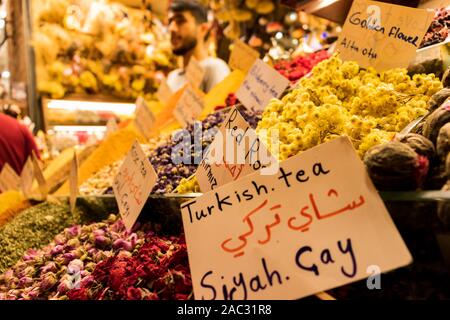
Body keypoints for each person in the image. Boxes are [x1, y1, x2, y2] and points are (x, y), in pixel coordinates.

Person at [167, 0, 230, 93]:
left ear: (203, 29)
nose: (171, 28)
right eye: (170, 22)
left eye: (180, 21)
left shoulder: (214, 68)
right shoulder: (172, 77)